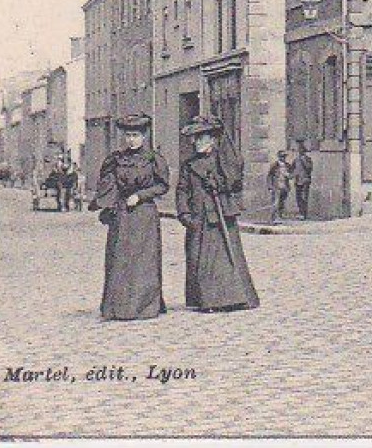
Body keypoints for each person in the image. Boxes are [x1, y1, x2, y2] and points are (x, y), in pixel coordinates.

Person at [176, 115, 260, 313]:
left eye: (201, 137)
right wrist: (184, 213)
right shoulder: (189, 165)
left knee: (224, 258)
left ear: (213, 139)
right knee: (198, 258)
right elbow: (182, 190)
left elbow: (234, 182)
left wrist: (220, 185)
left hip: (220, 215)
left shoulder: (223, 162)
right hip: (198, 217)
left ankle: (229, 298)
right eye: (195, 138)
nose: (196, 142)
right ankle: (203, 300)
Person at [92, 113, 168, 321]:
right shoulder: (116, 159)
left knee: (144, 260)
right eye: (128, 135)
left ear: (144, 136)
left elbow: (162, 186)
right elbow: (107, 183)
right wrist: (107, 202)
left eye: (136, 135)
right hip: (122, 215)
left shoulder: (154, 159)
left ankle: (145, 307)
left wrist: (141, 195)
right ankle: (118, 307)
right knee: (119, 259)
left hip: (144, 215)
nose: (131, 140)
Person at [266, 150, 293, 221]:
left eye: (284, 156)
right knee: (275, 203)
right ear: (279, 157)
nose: (283, 158)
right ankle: (273, 218)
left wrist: (289, 175)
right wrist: (270, 187)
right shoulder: (274, 165)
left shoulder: (288, 165)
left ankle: (280, 216)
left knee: (282, 202)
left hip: (285, 186)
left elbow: (291, 175)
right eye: (282, 156)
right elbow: (269, 176)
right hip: (276, 186)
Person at [293, 140, 314, 220]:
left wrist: (304, 161)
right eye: (299, 150)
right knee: (298, 198)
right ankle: (300, 212)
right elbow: (292, 169)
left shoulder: (308, 159)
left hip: (305, 180)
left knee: (304, 198)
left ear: (304, 151)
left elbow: (309, 168)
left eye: (302, 150)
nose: (300, 152)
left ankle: (304, 214)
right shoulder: (296, 160)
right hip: (298, 181)